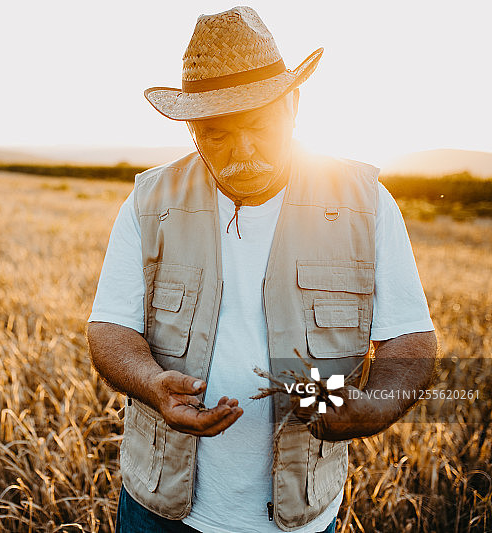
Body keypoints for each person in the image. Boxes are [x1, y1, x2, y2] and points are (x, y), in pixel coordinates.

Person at [86, 6, 437, 533]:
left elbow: (410, 340)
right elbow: (110, 327)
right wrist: (154, 385)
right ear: (191, 127)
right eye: (215, 133)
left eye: (257, 126)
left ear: (292, 105)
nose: (240, 152)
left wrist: (367, 409)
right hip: (158, 507)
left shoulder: (366, 204)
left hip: (300, 515)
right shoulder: (150, 201)